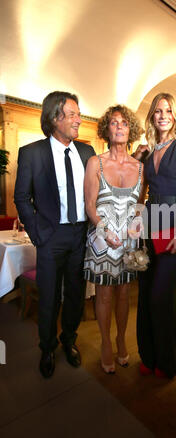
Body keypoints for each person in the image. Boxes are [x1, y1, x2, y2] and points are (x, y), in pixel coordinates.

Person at [14, 91, 95, 378]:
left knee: (75, 295)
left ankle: (68, 341)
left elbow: (95, 194)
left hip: (80, 236)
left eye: (78, 113)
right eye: (72, 114)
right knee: (49, 297)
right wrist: (38, 234)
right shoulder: (32, 153)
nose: (78, 119)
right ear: (54, 117)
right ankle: (47, 348)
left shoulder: (87, 153)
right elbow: (21, 197)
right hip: (50, 237)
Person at [136, 92, 176, 379]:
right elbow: (142, 191)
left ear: (175, 116)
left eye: (168, 110)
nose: (162, 115)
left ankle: (168, 361)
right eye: (158, 110)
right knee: (147, 294)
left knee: (163, 296)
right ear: (152, 116)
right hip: (150, 223)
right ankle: (148, 357)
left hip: (174, 223)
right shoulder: (148, 151)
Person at [83, 105, 144, 374]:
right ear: (106, 129)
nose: (119, 127)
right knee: (105, 293)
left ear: (131, 129)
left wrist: (137, 225)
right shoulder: (95, 162)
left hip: (130, 242)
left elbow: (140, 205)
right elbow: (89, 205)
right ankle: (106, 342)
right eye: (113, 123)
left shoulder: (141, 167)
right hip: (102, 239)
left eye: (124, 123)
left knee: (124, 294)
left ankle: (121, 337)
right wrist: (104, 229)